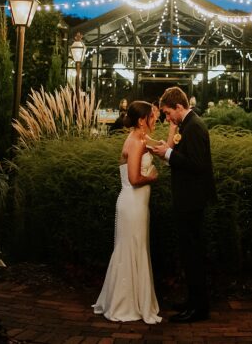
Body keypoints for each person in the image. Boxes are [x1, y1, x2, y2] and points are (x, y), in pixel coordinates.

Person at [149, 86, 216, 323]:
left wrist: (166, 155)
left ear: (179, 107)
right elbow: (183, 157)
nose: (167, 118)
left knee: (193, 255)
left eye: (168, 113)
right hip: (187, 199)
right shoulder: (186, 125)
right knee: (189, 255)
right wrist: (168, 150)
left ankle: (199, 309)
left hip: (192, 200)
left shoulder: (195, 127)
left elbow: (196, 165)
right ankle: (193, 302)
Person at [92, 100, 162, 324]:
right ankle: (126, 304)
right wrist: (151, 177)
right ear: (142, 120)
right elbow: (134, 179)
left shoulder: (139, 137)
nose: (155, 120)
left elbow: (163, 146)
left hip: (135, 204)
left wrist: (172, 127)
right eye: (152, 117)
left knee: (132, 249)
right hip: (133, 203)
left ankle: (127, 300)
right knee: (131, 249)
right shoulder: (137, 142)